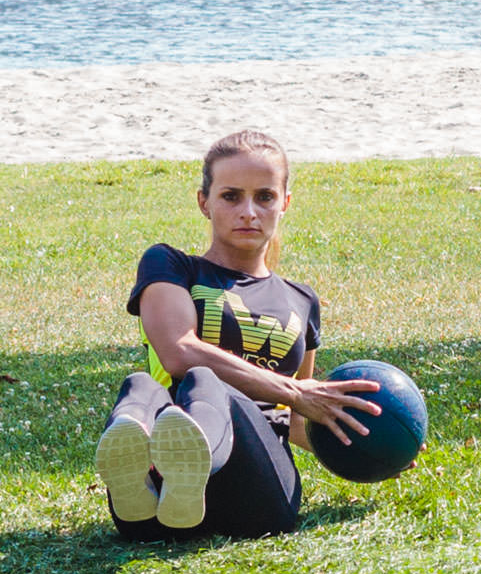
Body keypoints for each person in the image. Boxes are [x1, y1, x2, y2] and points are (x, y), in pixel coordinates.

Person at [94, 129, 383, 541]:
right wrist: (296, 390)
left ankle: (193, 468)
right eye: (231, 196)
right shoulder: (171, 266)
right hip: (153, 510)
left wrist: (376, 450)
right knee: (147, 384)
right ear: (204, 203)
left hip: (258, 497)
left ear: (285, 203)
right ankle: (140, 482)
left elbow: (298, 424)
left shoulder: (301, 300)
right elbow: (179, 352)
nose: (248, 211)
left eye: (264, 196)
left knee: (206, 379)